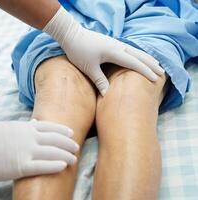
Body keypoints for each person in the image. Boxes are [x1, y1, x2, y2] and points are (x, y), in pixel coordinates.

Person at [0, 0, 170, 183]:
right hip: (73, 8)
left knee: (130, 99)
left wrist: (67, 31)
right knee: (60, 98)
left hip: (156, 12)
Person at [10, 0, 198, 200]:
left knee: (130, 97)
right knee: (62, 91)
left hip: (156, 12)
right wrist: (67, 31)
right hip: (67, 11)